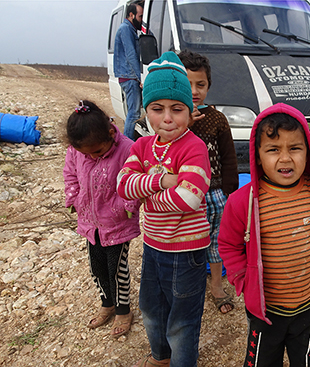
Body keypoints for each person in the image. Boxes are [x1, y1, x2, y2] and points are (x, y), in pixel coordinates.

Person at [218, 103, 310, 367]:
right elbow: (229, 245)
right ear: (258, 155)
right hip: (267, 310)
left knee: (307, 362)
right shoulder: (244, 201)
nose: (285, 158)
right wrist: (242, 278)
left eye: (295, 148)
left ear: (308, 152)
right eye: (274, 149)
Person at [117, 51, 211, 367]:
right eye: (157, 109)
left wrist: (145, 190)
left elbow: (190, 200)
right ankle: (160, 358)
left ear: (190, 109)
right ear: (146, 111)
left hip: (187, 253)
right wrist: (164, 179)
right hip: (154, 247)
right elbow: (122, 184)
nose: (167, 118)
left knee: (182, 320)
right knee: (151, 309)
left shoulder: (194, 148)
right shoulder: (142, 146)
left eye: (177, 109)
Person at [63, 100, 141, 338]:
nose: (91, 156)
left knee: (116, 269)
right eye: (85, 153)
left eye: (96, 151)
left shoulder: (128, 149)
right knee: (97, 268)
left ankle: (124, 311)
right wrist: (74, 198)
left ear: (110, 133)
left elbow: (136, 182)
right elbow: (70, 175)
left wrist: (125, 206)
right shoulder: (77, 151)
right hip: (91, 224)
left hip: (118, 223)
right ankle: (107, 303)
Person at [178, 49, 239, 314]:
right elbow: (165, 152)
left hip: (214, 194)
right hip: (184, 193)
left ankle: (216, 285)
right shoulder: (173, 119)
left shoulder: (217, 119)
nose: (194, 90)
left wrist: (229, 193)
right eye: (187, 83)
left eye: (200, 84)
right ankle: (186, 286)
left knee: (215, 241)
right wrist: (184, 124)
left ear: (208, 86)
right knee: (186, 241)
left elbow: (229, 159)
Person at [114, 0, 144, 140]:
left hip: (128, 76)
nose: (141, 20)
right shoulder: (126, 29)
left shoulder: (130, 29)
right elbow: (131, 54)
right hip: (130, 77)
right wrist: (140, 77)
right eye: (140, 16)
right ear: (131, 15)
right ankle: (128, 145)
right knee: (134, 113)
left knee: (133, 112)